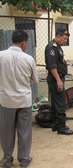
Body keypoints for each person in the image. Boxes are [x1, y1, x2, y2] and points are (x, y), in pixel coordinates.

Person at [0, 30, 38, 168]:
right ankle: (24, 159)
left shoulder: (1, 56)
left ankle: (7, 160)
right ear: (23, 43)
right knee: (25, 130)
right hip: (24, 100)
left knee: (6, 131)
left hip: (6, 101)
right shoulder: (28, 59)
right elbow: (35, 80)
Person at [45, 28, 73, 135]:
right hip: (55, 79)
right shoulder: (51, 48)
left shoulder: (58, 47)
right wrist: (58, 80)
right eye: (64, 39)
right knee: (61, 103)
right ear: (58, 36)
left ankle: (56, 124)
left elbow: (58, 61)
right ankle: (62, 127)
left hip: (58, 78)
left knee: (56, 102)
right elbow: (52, 66)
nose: (65, 41)